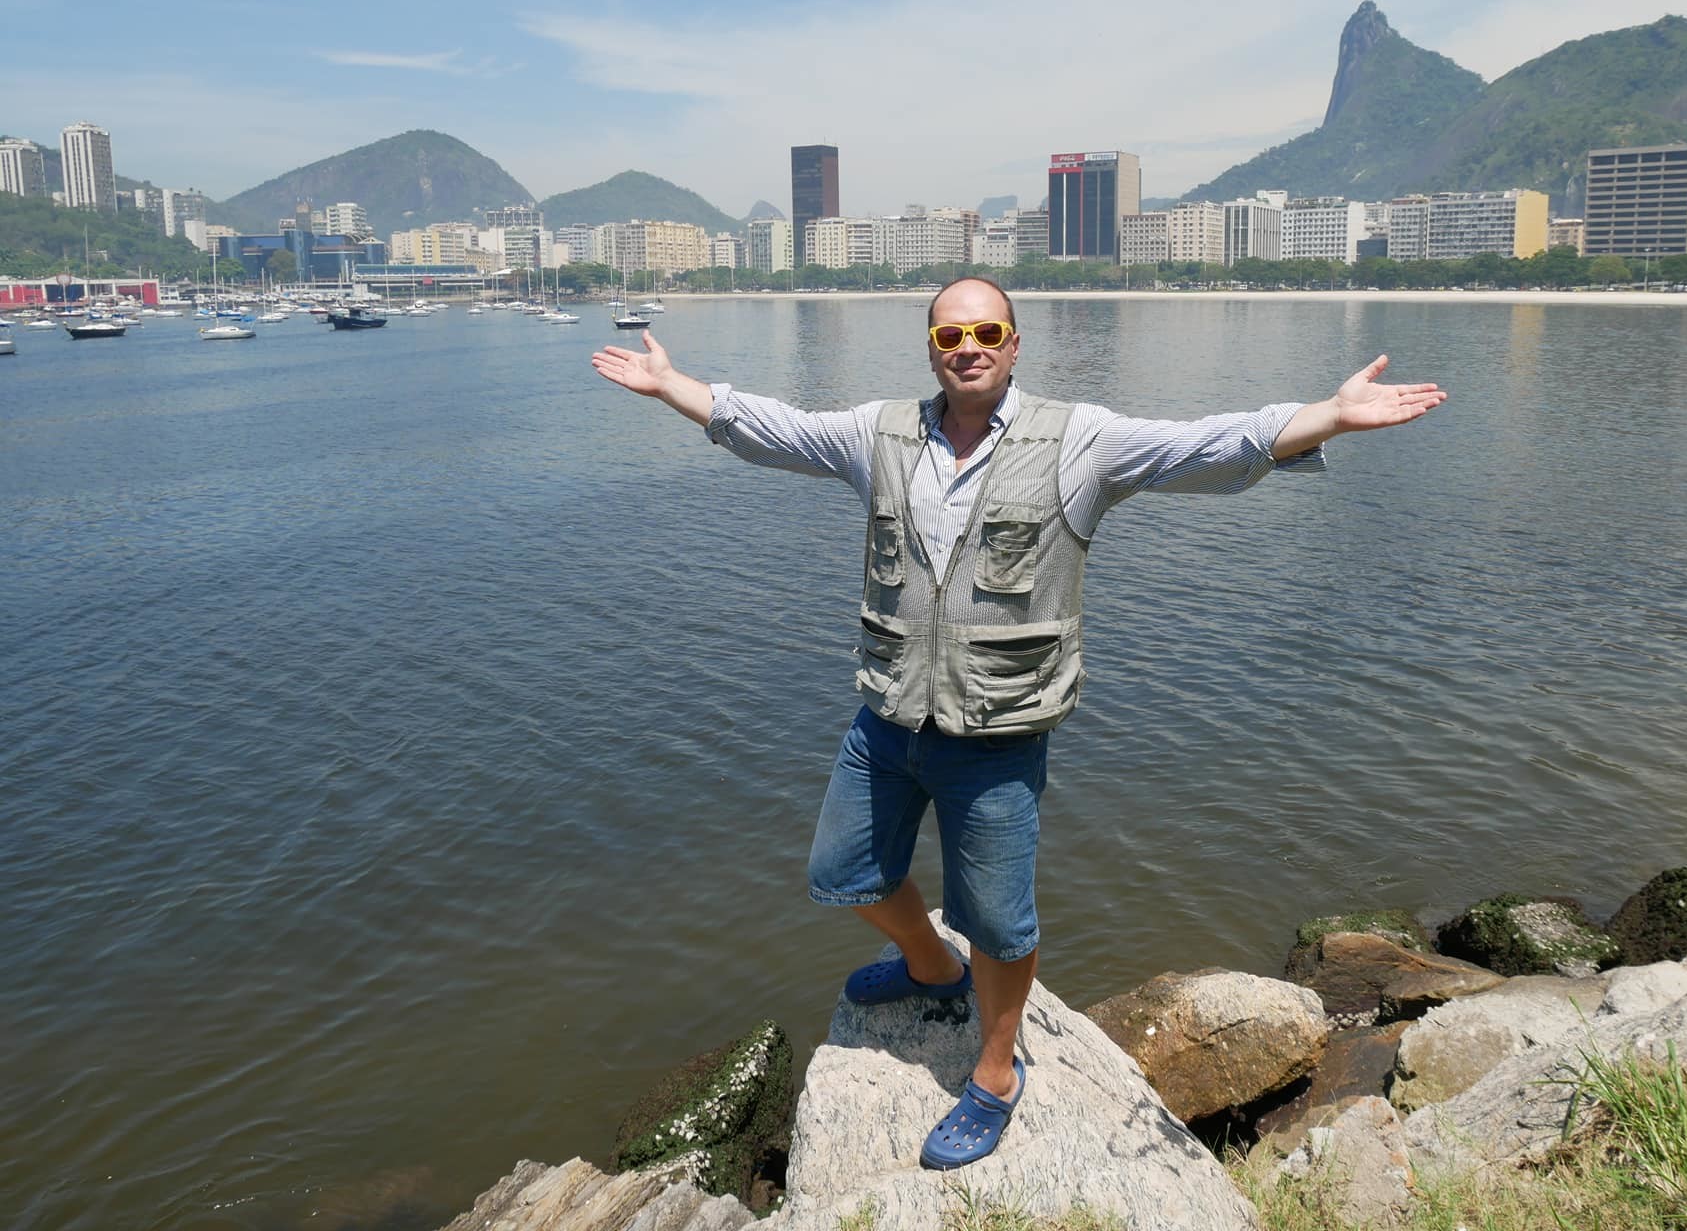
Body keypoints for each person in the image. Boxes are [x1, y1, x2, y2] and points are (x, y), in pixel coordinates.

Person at [591, 275, 1445, 1170]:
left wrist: (1327, 416)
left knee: (997, 922)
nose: (968, 346)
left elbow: (1203, 445)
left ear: (1014, 342)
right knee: (842, 872)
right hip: (886, 717)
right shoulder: (877, 435)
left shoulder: (1079, 442)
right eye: (950, 333)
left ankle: (995, 1074)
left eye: (987, 330)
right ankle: (929, 966)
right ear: (930, 347)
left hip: (998, 735)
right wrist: (671, 387)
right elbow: (773, 426)